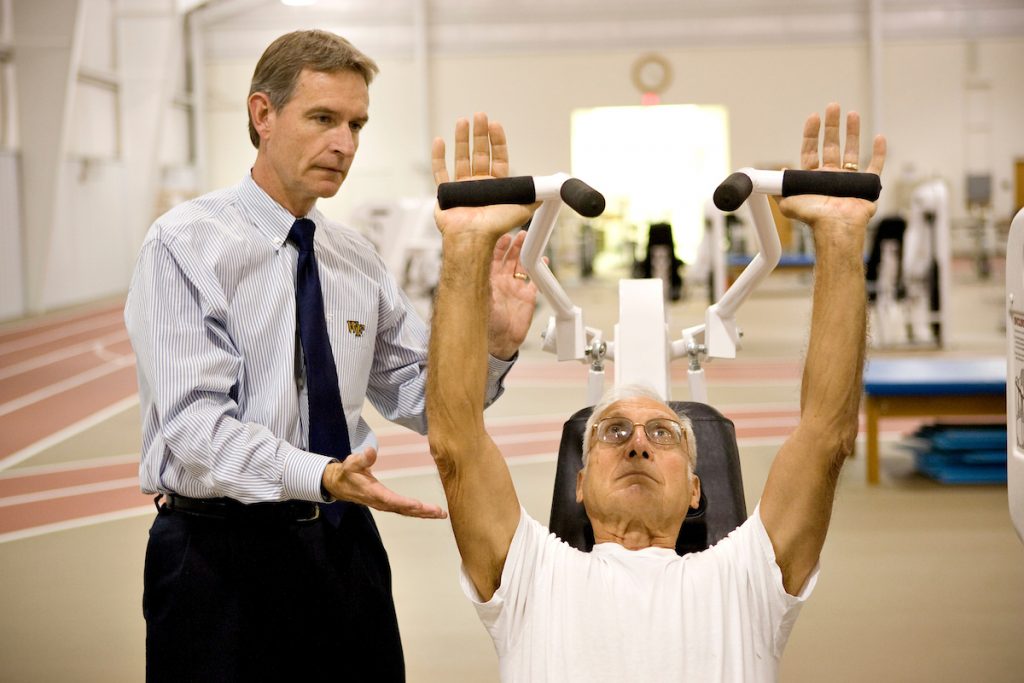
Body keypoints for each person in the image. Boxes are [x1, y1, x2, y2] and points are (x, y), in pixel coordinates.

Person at [124, 30, 536, 682]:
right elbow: (196, 430)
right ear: (263, 114)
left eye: (356, 124)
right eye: (323, 118)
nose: (343, 143)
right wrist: (317, 473)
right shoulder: (184, 244)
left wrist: (492, 344)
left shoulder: (353, 257)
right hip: (217, 554)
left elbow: (431, 401)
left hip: (344, 549)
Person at [426, 104, 886, 681]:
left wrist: (841, 238)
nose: (637, 444)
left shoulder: (744, 580)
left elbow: (827, 436)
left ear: (697, 489)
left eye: (662, 434)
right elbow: (455, 445)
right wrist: (465, 247)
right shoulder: (530, 576)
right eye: (614, 431)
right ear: (579, 483)